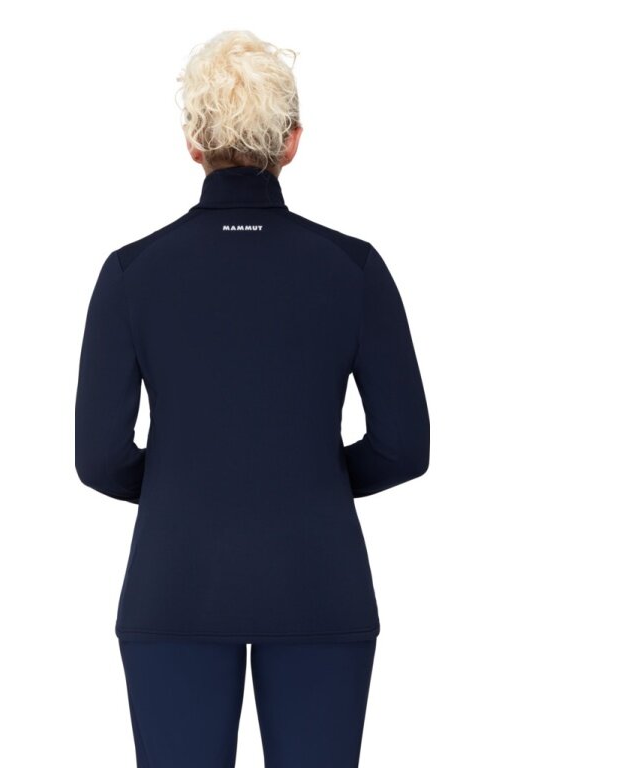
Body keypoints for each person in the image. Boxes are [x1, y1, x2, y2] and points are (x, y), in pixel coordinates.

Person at [74, 29, 429, 768]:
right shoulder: (353, 269)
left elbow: (100, 457)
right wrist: (310, 479)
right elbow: (403, 446)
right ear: (292, 141)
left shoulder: (132, 273)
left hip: (175, 584)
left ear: (193, 142)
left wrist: (184, 487)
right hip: (319, 583)